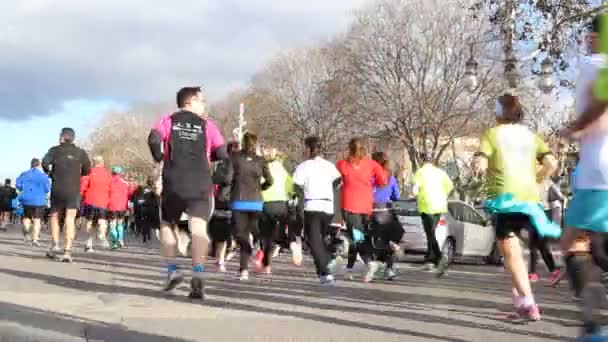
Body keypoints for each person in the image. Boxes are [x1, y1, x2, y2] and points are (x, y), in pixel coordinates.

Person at [473, 94, 557, 321]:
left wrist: (478, 167)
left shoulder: (492, 134)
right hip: (530, 200)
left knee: (510, 252)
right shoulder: (533, 136)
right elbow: (552, 163)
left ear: (500, 113)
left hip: (505, 200)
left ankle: (528, 304)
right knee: (515, 253)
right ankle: (520, 302)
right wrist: (538, 177)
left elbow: (480, 162)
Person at [148, 86, 228, 299]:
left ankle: (172, 269)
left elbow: (154, 138)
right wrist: (217, 172)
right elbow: (222, 153)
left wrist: (158, 156)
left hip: (174, 182)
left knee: (167, 224)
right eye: (202, 101)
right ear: (190, 101)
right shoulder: (208, 125)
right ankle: (198, 272)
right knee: (198, 228)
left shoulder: (168, 120)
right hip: (201, 182)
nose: (204, 105)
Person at [558, 15, 608, 336]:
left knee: (575, 243)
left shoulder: (595, 66)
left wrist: (575, 128)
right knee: (598, 247)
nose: (587, 40)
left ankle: (592, 324)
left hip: (600, 170)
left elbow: (604, 101)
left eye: (592, 34)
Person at [336, 137, 387, 282]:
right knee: (357, 236)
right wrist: (370, 183)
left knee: (357, 237)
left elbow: (334, 182)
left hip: (349, 205)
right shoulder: (372, 164)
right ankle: (351, 267)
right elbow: (383, 181)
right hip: (366, 206)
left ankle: (369, 262)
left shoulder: (342, 164)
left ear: (349, 148)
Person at [293, 136, 342, 285]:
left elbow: (296, 187)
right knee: (319, 241)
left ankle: (327, 268)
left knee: (313, 241)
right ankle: (322, 272)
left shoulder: (303, 166)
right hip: (328, 207)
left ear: (308, 148)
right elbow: (338, 181)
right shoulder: (329, 166)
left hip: (312, 206)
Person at [42, 127, 91, 262]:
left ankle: (55, 245)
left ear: (62, 137)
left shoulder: (54, 150)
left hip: (58, 188)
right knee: (70, 218)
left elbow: (44, 163)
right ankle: (67, 251)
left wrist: (50, 173)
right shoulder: (81, 152)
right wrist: (77, 175)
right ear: (73, 138)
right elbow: (87, 170)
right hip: (73, 189)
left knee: (55, 216)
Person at [229, 132, 273, 280]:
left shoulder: (234, 157)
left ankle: (244, 270)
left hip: (238, 200)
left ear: (242, 142)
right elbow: (270, 181)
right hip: (255, 202)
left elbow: (228, 178)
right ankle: (254, 252)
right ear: (256, 143)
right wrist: (261, 188)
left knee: (240, 234)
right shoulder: (261, 160)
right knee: (251, 231)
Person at [412, 153, 454, 276]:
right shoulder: (441, 173)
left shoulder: (420, 172)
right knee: (431, 232)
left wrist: (416, 195)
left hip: (426, 205)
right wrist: (442, 194)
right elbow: (450, 186)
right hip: (439, 205)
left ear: (422, 161)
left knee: (429, 233)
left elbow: (415, 190)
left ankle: (439, 258)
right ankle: (431, 259)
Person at [260, 147, 298, 273]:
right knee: (282, 228)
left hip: (267, 204)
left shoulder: (263, 168)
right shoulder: (283, 170)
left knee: (267, 236)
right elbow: (291, 189)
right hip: (283, 204)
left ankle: (267, 265)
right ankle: (291, 244)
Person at [370, 151, 402, 280]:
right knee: (390, 240)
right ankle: (389, 268)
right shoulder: (391, 178)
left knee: (373, 241)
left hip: (371, 211)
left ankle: (374, 265)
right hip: (386, 212)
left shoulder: (369, 177)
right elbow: (397, 196)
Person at [528, 177, 563, 285]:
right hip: (532, 213)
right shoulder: (528, 179)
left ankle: (553, 270)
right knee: (533, 245)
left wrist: (556, 222)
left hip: (545, 214)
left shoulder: (547, 182)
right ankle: (533, 272)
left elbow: (560, 197)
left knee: (542, 245)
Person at [209, 141, 238, 272]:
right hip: (228, 199)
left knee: (224, 231)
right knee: (224, 231)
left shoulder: (224, 163)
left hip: (226, 199)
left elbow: (217, 178)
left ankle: (222, 258)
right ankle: (221, 259)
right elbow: (217, 178)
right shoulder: (227, 163)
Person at [80, 156, 112, 252]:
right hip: (103, 201)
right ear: (102, 163)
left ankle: (89, 244)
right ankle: (101, 235)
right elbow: (111, 188)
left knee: (90, 222)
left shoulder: (89, 172)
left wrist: (82, 196)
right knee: (102, 221)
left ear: (93, 163)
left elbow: (83, 186)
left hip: (90, 200)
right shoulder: (107, 174)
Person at [16, 158, 50, 246]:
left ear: (31, 164)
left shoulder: (24, 174)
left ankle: (26, 235)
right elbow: (47, 189)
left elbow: (18, 186)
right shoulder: (43, 176)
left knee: (26, 218)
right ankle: (35, 239)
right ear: (39, 165)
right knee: (37, 220)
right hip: (39, 201)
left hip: (26, 200)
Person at [108, 166, 136, 249]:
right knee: (120, 223)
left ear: (112, 172)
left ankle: (114, 243)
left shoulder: (109, 181)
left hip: (111, 206)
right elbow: (131, 192)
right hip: (122, 206)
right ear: (120, 173)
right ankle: (120, 240)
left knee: (112, 224)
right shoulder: (125, 183)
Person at [133, 178, 160, 244]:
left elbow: (141, 198)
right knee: (152, 222)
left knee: (146, 222)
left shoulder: (144, 189)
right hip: (154, 209)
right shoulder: (155, 189)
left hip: (145, 208)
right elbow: (158, 200)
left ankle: (145, 236)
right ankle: (151, 235)